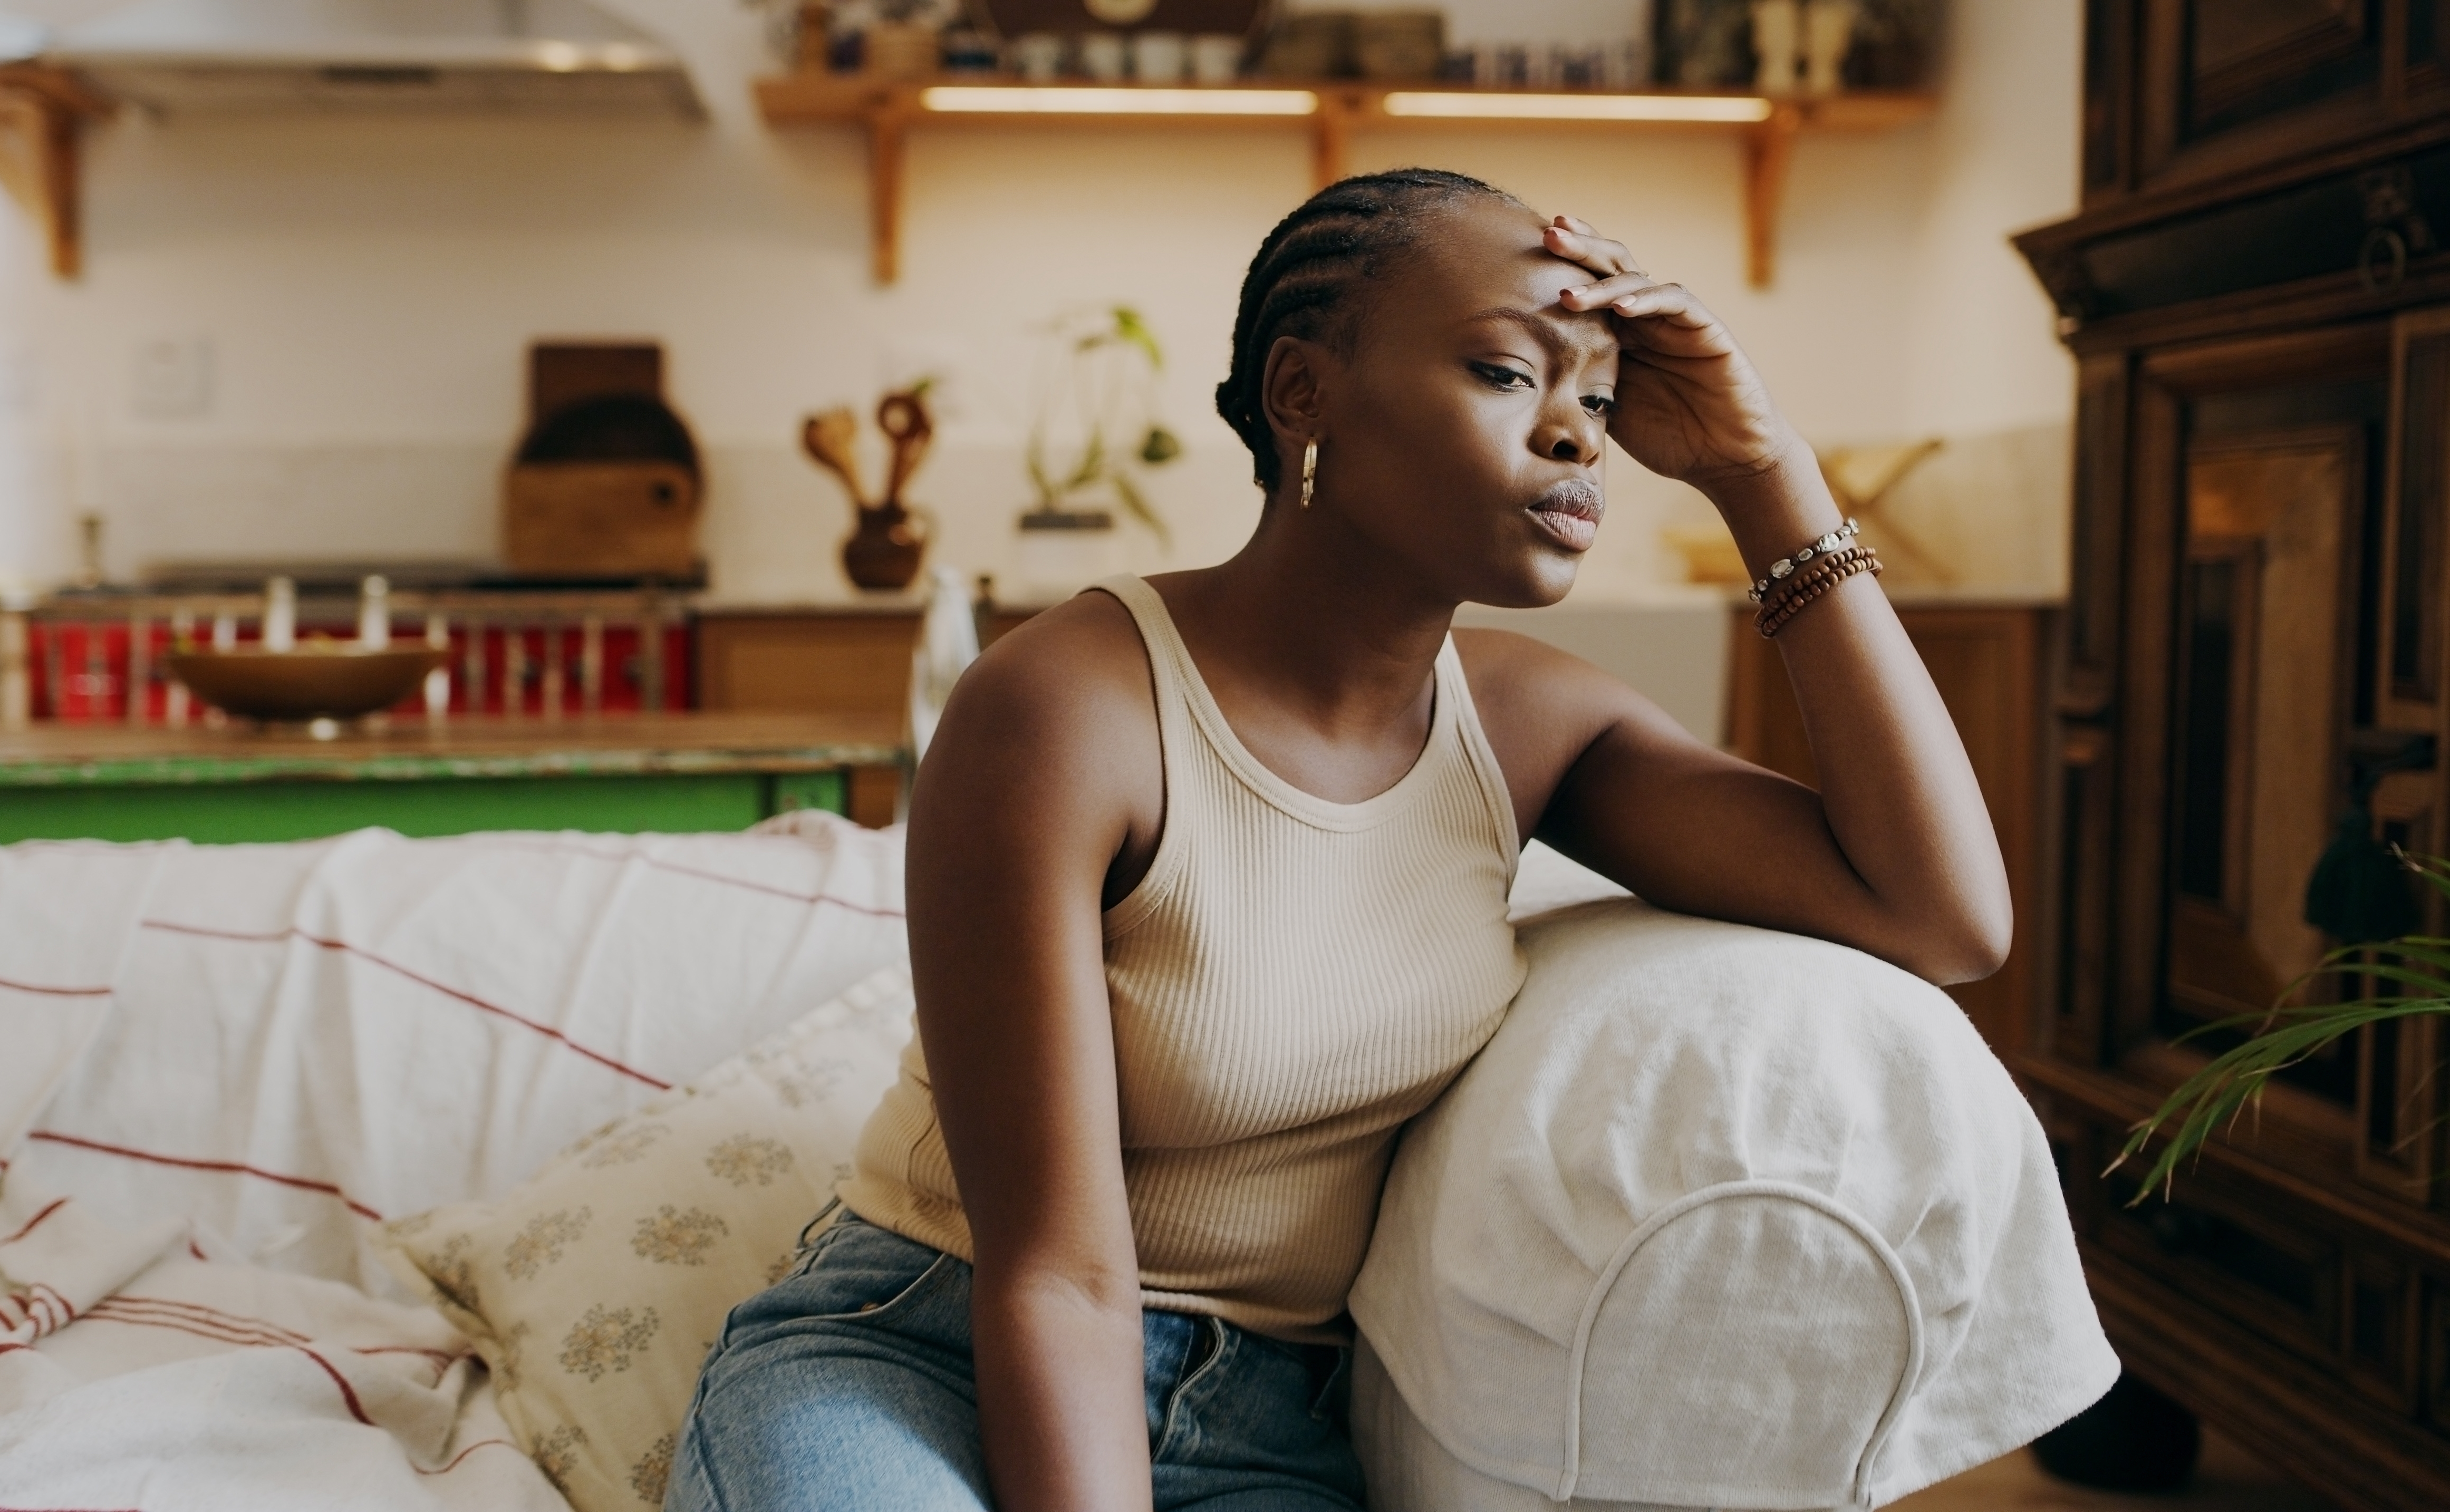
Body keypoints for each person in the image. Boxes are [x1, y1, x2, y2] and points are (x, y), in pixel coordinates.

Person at [665, 168, 2007, 1512]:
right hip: (931, 1353)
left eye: (1596, 398)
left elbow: (1941, 918)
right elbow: (1060, 1277)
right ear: (1303, 394)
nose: (1578, 439)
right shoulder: (1067, 706)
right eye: (1504, 371)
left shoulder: (1534, 725)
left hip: (1263, 1419)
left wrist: (1765, 475)